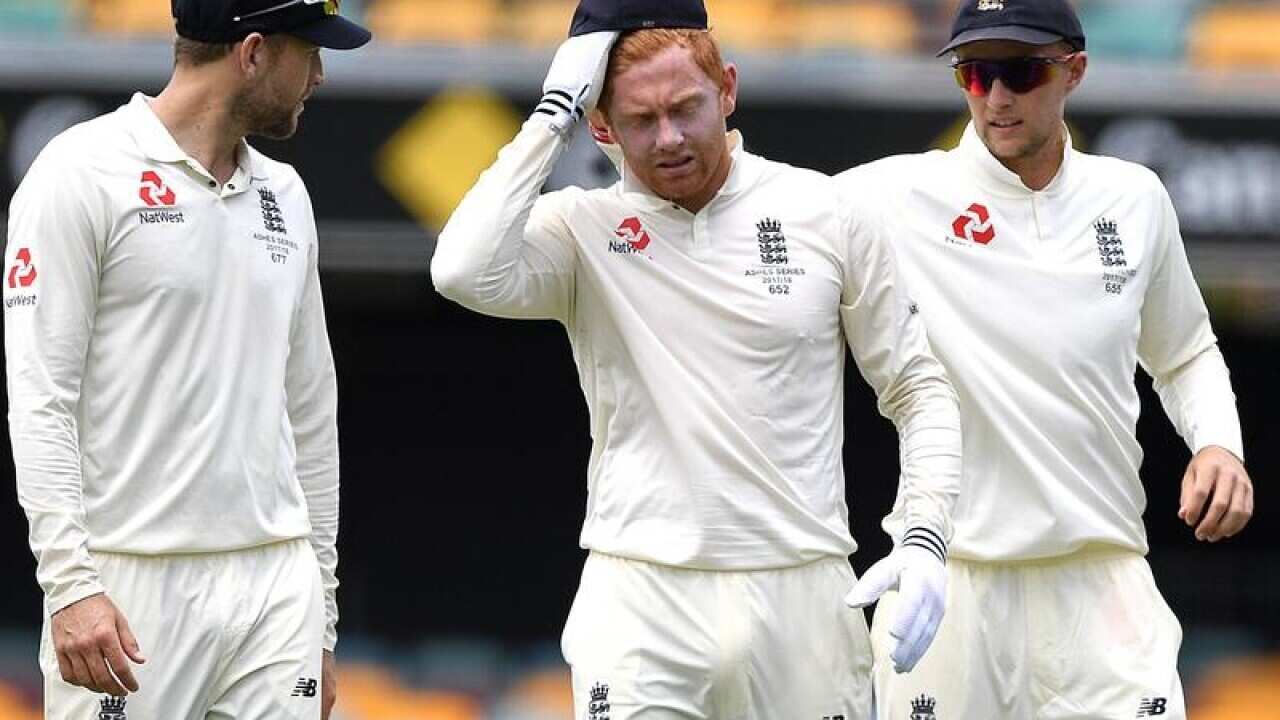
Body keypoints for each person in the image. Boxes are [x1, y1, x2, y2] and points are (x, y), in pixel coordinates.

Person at [431, 1, 962, 717]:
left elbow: (918, 388)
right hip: (641, 595)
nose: (670, 138)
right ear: (602, 127)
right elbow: (461, 271)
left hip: (801, 592)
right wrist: (552, 109)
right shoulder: (582, 228)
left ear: (729, 91)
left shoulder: (824, 210)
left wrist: (924, 535)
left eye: (688, 108)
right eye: (641, 121)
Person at [836, 1, 1254, 718]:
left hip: (1103, 580)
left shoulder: (1133, 198)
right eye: (976, 74)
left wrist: (1219, 444)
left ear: (1074, 72)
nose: (996, 98)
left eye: (1021, 72)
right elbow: (742, 204)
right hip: (951, 583)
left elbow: (1183, 351)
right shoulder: (889, 195)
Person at [3, 1, 370, 717]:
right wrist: (71, 583)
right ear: (254, 52)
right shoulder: (81, 171)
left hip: (276, 587)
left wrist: (319, 613)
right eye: (310, 52)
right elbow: (39, 393)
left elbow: (310, 411)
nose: (320, 75)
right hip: (130, 590)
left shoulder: (286, 195)